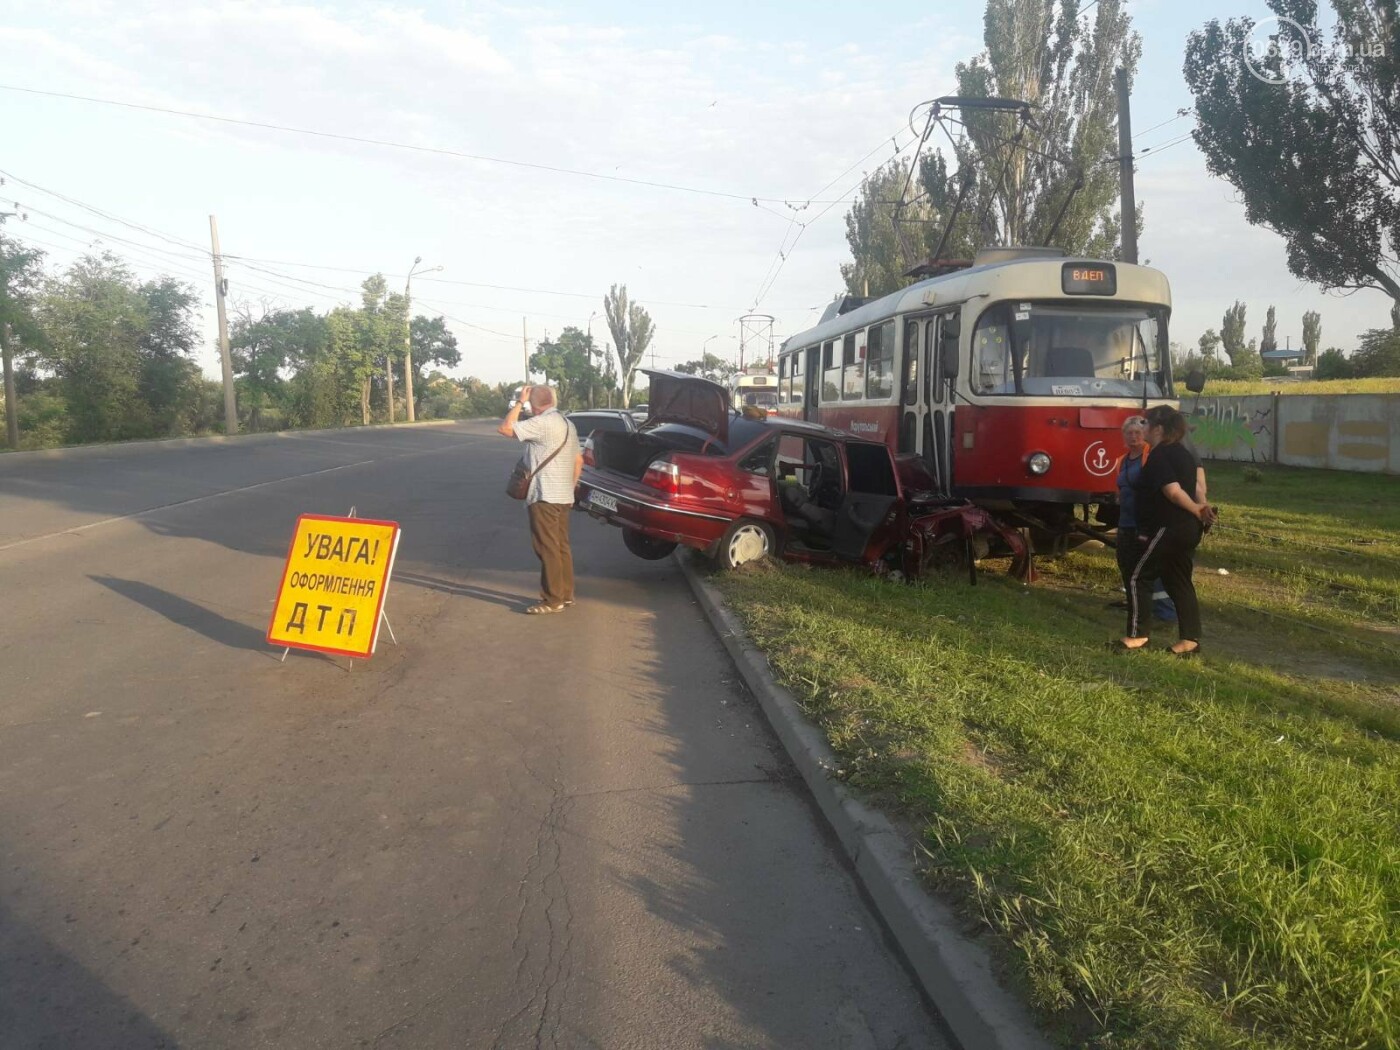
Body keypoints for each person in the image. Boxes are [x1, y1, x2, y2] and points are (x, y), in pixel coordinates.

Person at [1116, 405, 1214, 656]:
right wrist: (1202, 508)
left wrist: (1195, 509)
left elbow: (1172, 491)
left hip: (1167, 528)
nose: (1142, 428)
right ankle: (1189, 640)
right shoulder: (1182, 453)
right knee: (1178, 580)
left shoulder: (1160, 455)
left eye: (1146, 424)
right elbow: (1196, 487)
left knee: (1138, 576)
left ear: (1158, 429)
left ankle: (1137, 636)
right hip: (1185, 530)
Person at [498, 384, 583, 614]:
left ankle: (552, 599)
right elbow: (578, 461)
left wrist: (518, 403)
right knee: (561, 546)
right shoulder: (568, 424)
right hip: (563, 495)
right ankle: (565, 595)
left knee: (546, 547)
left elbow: (505, 428)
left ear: (533, 405)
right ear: (553, 400)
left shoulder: (542, 423)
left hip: (544, 495)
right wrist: (570, 488)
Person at [1112, 416, 1177, 622]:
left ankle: (1164, 613)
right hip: (1125, 522)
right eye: (1129, 433)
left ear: (1145, 435)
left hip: (1144, 523)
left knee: (1149, 568)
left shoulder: (1151, 457)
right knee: (1127, 565)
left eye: (1138, 433)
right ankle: (1135, 607)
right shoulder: (1122, 460)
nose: (1133, 437)